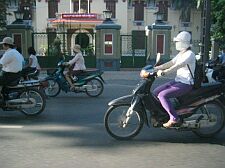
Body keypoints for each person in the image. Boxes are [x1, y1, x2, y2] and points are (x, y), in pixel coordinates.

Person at [153, 31, 196, 128]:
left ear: (183, 42)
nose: (176, 43)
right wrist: (156, 68)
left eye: (177, 41)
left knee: (162, 95)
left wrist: (165, 72)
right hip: (178, 81)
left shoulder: (190, 54)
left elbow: (177, 66)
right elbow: (171, 63)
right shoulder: (181, 53)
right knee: (156, 92)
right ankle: (164, 114)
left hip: (186, 83)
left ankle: (174, 118)